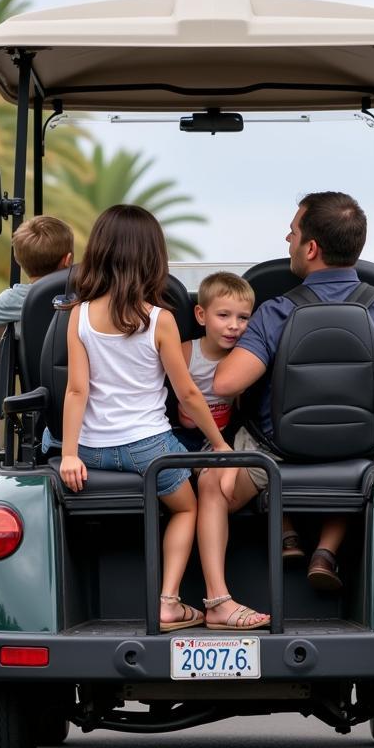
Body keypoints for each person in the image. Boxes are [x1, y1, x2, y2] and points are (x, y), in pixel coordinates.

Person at [198, 191, 374, 595]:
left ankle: (218, 595)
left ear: (312, 247)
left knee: (211, 485)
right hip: (364, 452)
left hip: (275, 455)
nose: (288, 241)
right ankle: (327, 550)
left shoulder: (277, 310)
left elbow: (226, 384)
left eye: (293, 233)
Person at [57, 205, 268, 633]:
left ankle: (175, 602)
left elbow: (76, 390)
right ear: (154, 258)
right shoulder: (159, 319)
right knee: (187, 506)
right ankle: (170, 601)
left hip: (94, 451)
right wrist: (222, 446)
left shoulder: (78, 315)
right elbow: (189, 394)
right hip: (149, 450)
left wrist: (68, 454)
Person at [173, 271, 255, 452]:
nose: (234, 325)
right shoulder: (186, 351)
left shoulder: (243, 356)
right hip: (186, 435)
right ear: (201, 315)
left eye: (243, 318)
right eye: (223, 315)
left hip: (225, 435)